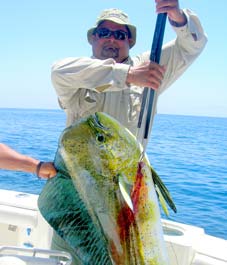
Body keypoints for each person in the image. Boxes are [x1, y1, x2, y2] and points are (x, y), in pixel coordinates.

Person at [50, 0, 207, 262]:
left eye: (121, 35)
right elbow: (57, 71)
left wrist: (177, 17)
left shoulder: (151, 66)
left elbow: (192, 46)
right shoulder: (79, 73)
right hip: (77, 197)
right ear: (92, 39)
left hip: (127, 196)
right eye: (104, 33)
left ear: (130, 42)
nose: (112, 39)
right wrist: (129, 75)